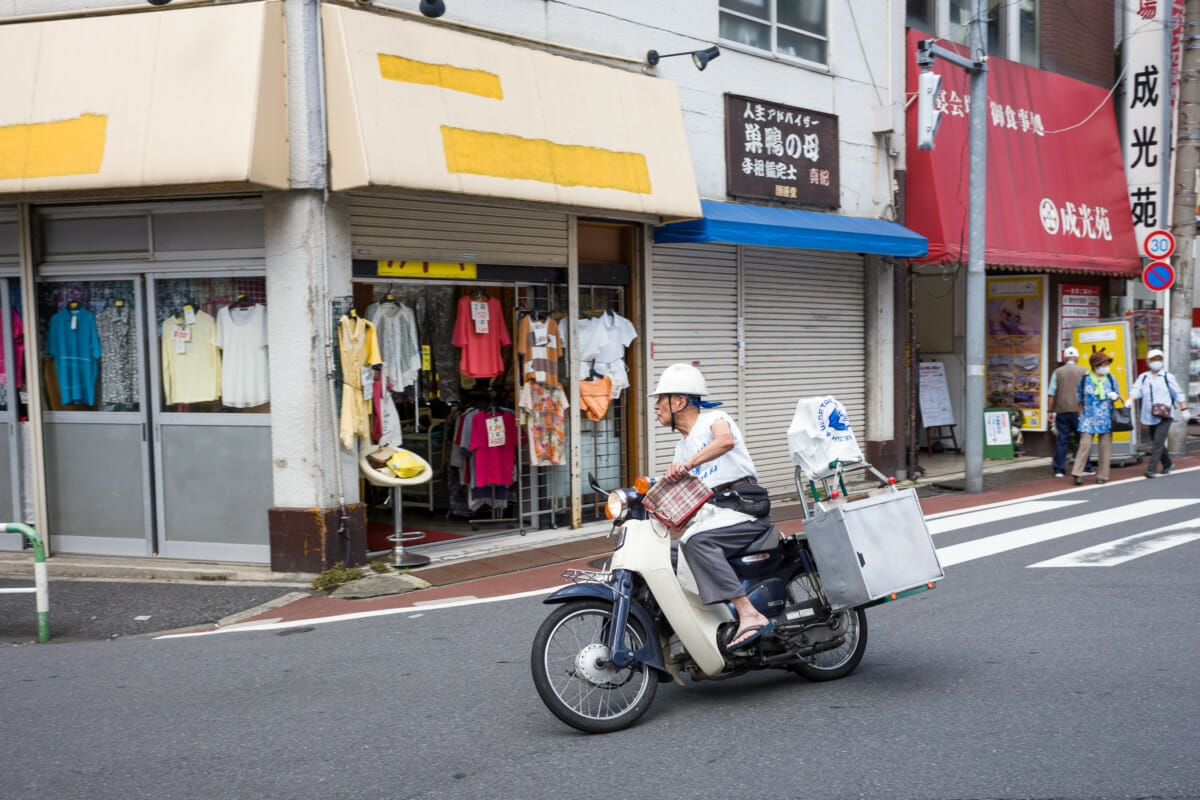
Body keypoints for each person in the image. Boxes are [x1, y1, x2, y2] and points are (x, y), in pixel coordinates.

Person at [649, 363, 773, 651]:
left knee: (695, 541)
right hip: (715, 514)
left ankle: (748, 612)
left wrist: (689, 464)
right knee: (661, 554)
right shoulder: (682, 448)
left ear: (680, 401)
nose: (655, 407)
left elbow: (725, 441)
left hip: (744, 508)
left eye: (660, 399)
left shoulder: (714, 419)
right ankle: (692, 627)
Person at [1130, 348, 1188, 478]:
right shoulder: (1144, 377)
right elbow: (1136, 389)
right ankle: (1168, 464)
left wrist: (1184, 409)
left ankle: (1151, 469)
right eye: (1153, 359)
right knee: (1158, 441)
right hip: (1149, 415)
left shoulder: (1168, 377)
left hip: (1165, 415)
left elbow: (1177, 393)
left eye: (1159, 359)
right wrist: (1130, 399)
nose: (1156, 362)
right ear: (1148, 361)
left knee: (1157, 442)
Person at [1071, 351, 1122, 485]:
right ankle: (1077, 474)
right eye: (1104, 364)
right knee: (1084, 446)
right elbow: (1080, 398)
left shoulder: (1111, 378)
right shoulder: (1084, 379)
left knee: (1105, 448)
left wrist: (1114, 396)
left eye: (1107, 363)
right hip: (1088, 418)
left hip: (1106, 418)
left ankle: (1102, 476)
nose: (1106, 366)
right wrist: (1079, 414)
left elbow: (1118, 394)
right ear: (1095, 365)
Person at [1047, 346, 1089, 478]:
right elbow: (1089, 391)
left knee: (1062, 440)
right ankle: (1085, 467)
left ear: (1065, 359)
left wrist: (1050, 411)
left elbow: (1051, 394)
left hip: (1062, 410)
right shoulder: (1084, 371)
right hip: (1079, 411)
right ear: (1077, 358)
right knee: (1083, 440)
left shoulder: (1057, 372)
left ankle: (1059, 469)